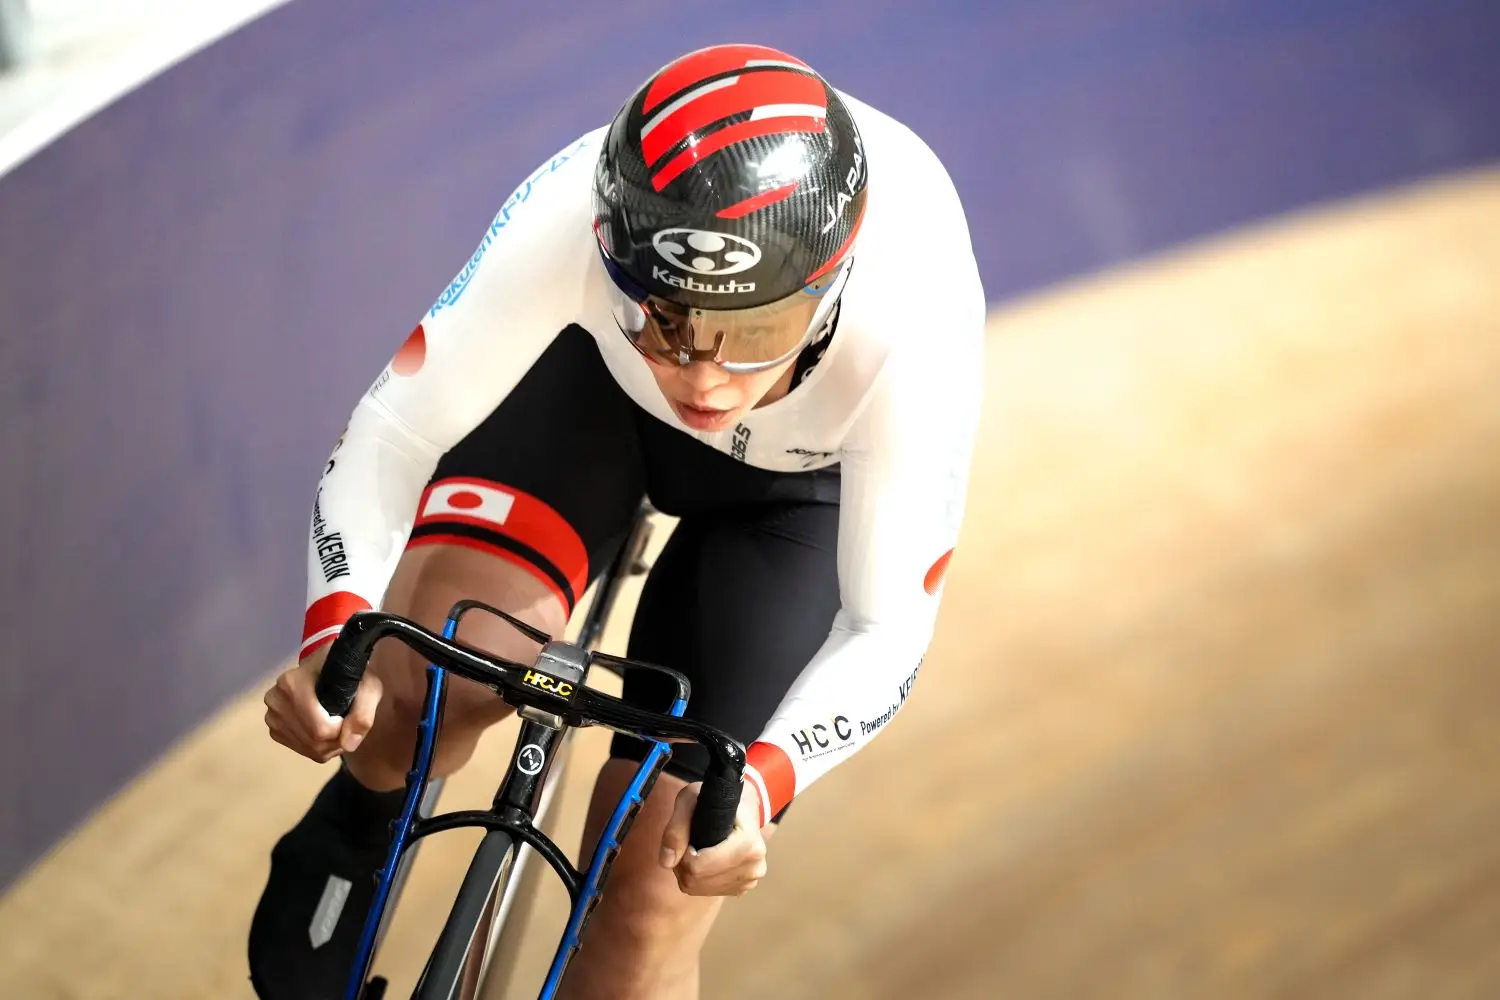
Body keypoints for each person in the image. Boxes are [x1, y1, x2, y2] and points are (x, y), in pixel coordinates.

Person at [249, 42, 984, 1000]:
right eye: (666, 321)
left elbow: (886, 625)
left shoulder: (915, 314)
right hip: (597, 397)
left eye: (754, 333)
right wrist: (333, 636)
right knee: (423, 686)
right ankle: (364, 806)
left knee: (653, 895)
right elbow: (389, 435)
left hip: (798, 492)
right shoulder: (566, 211)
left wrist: (762, 783)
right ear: (610, 252)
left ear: (833, 287)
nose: (706, 377)